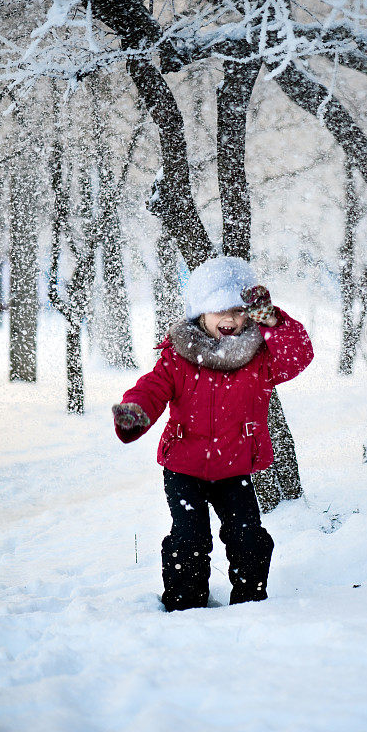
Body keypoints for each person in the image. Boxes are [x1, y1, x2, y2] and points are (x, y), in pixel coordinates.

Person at [112, 256, 314, 611]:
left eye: (238, 310)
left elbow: (298, 356)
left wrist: (272, 319)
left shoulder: (259, 356)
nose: (230, 319)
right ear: (200, 313)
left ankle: (250, 603)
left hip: (234, 468)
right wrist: (136, 410)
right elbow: (153, 388)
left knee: (247, 538)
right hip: (184, 468)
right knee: (189, 538)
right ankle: (184, 603)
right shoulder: (179, 356)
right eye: (219, 310)